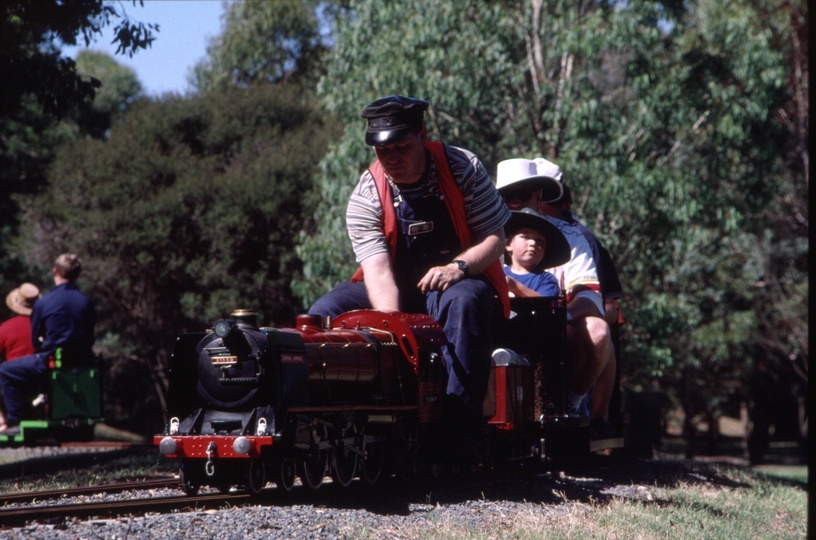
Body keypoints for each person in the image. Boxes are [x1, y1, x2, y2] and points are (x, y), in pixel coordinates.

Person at [309, 95, 511, 461]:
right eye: (382, 151)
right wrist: (395, 328)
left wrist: (458, 268)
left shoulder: (463, 167)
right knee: (324, 313)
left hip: (457, 278)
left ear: (423, 135)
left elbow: (496, 239)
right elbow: (378, 272)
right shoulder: (366, 195)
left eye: (401, 147)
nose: (392, 159)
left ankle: (458, 432)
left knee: (465, 301)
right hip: (394, 287)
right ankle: (329, 424)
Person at [495, 158, 614, 434]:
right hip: (498, 328)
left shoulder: (569, 237)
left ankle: (567, 405)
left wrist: (559, 316)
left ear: (538, 196)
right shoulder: (480, 233)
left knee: (597, 331)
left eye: (523, 194)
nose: (514, 202)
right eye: (505, 195)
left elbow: (589, 297)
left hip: (551, 334)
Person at [0, 254, 96, 434]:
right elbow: (90, 335)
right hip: (82, 361)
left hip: (50, 361)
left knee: (5, 370)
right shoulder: (87, 302)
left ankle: (16, 420)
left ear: (55, 272)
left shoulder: (44, 303)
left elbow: (36, 338)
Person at [503, 208, 570, 298]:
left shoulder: (546, 279)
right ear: (508, 245)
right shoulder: (499, 275)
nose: (533, 243)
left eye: (540, 241)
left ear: (544, 252)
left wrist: (515, 287)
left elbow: (546, 304)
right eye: (525, 237)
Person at [0, 283, 41, 429]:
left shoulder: (6, 327)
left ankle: (3, 422)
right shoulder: (44, 326)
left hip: (15, 382)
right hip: (40, 379)